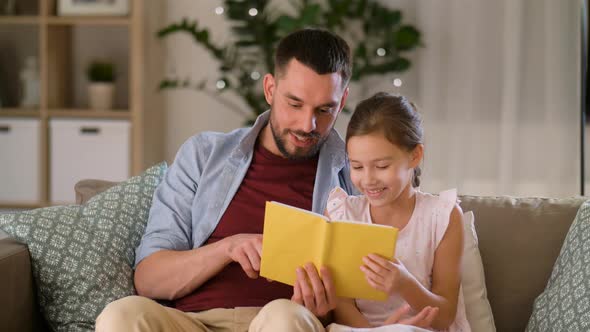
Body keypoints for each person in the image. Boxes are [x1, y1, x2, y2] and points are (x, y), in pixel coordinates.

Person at [96, 28, 355, 332]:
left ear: (343, 100)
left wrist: (325, 310)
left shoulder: (354, 172)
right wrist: (227, 248)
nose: (307, 124)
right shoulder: (204, 155)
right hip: (193, 322)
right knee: (121, 315)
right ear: (270, 89)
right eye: (294, 104)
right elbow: (150, 279)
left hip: (282, 322)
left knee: (284, 317)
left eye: (325, 110)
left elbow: (363, 297)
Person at [325, 92, 471, 332]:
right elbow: (342, 305)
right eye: (357, 166)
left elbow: (445, 317)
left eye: (382, 166)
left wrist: (405, 285)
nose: (368, 179)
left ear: (415, 155)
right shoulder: (343, 215)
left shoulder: (442, 217)